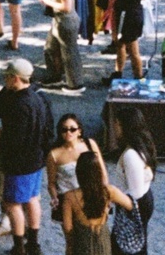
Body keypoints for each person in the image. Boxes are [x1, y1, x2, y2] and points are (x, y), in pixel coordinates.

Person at [0, 58, 54, 255]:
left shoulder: (19, 105)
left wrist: (0, 137)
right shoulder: (36, 97)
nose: (4, 80)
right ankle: (33, 243)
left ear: (15, 78)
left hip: (19, 163)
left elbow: (15, 140)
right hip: (35, 160)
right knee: (32, 199)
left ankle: (19, 247)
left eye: (7, 77)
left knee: (13, 204)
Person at [47, 114, 107, 254]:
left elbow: (102, 172)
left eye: (72, 129)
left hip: (91, 197)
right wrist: (54, 197)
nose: (68, 133)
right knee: (72, 241)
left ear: (79, 130)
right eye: (64, 129)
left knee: (94, 236)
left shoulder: (89, 144)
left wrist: (104, 194)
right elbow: (51, 183)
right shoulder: (55, 154)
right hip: (68, 201)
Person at [62, 151, 133, 255]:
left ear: (79, 173)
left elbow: (68, 229)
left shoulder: (69, 197)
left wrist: (69, 248)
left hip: (82, 242)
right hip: (102, 238)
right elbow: (130, 205)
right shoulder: (109, 191)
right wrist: (109, 210)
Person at [111, 108, 156, 255]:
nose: (114, 127)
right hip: (143, 201)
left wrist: (113, 195)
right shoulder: (141, 147)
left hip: (133, 205)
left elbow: (134, 194)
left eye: (117, 123)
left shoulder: (131, 155)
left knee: (125, 248)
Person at [39, 0, 84, 94]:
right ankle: (55, 75)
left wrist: (47, 2)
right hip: (58, 21)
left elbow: (66, 7)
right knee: (50, 48)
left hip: (66, 21)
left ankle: (75, 84)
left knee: (69, 53)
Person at [111, 0, 148, 80]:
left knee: (132, 50)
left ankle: (139, 77)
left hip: (126, 15)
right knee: (123, 45)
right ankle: (118, 73)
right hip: (137, 11)